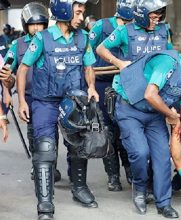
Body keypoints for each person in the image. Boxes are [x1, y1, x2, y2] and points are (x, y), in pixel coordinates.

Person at [16, 0, 100, 219]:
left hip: (73, 100)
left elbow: (89, 66)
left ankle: (79, 188)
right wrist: (23, 102)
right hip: (44, 102)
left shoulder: (83, 38)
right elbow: (23, 69)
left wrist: (91, 87)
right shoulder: (42, 39)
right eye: (78, 12)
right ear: (64, 11)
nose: (82, 18)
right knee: (45, 149)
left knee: (78, 146)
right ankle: (45, 204)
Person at [112, 45, 181, 218]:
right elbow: (150, 95)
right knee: (140, 152)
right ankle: (139, 188)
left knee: (162, 158)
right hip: (130, 107)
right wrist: (170, 115)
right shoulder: (168, 63)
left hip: (154, 114)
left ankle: (164, 203)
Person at [3, 2, 63, 182]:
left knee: (51, 132)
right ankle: (38, 164)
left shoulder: (52, 40)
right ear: (25, 25)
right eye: (32, 24)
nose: (37, 28)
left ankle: (50, 165)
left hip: (52, 95)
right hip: (29, 97)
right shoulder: (18, 45)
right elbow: (7, 70)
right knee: (34, 133)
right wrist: (7, 87)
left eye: (41, 24)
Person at [89, 0, 135, 192]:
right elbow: (87, 51)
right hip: (102, 82)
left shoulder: (135, 28)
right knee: (107, 131)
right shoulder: (102, 26)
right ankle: (113, 176)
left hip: (126, 83)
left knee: (125, 129)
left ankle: (130, 171)